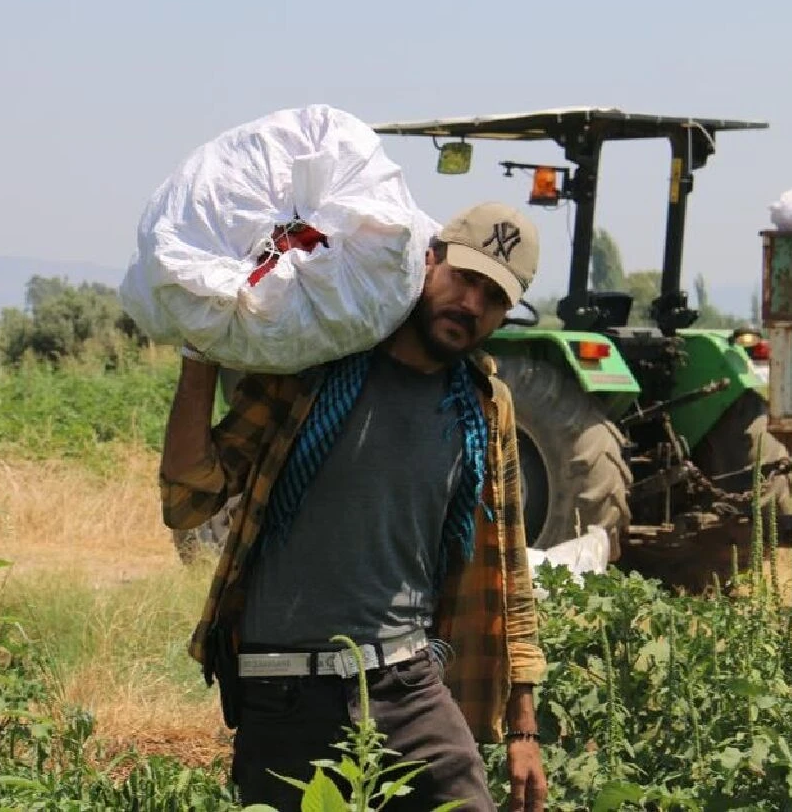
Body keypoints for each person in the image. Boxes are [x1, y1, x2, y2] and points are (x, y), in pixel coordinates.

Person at [160, 202, 548, 812]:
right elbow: (189, 498)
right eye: (464, 279)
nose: (471, 305)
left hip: (406, 684)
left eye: (494, 297)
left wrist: (523, 728)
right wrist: (199, 353)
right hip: (283, 689)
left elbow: (510, 572)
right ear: (428, 262)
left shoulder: (483, 405)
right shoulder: (313, 368)